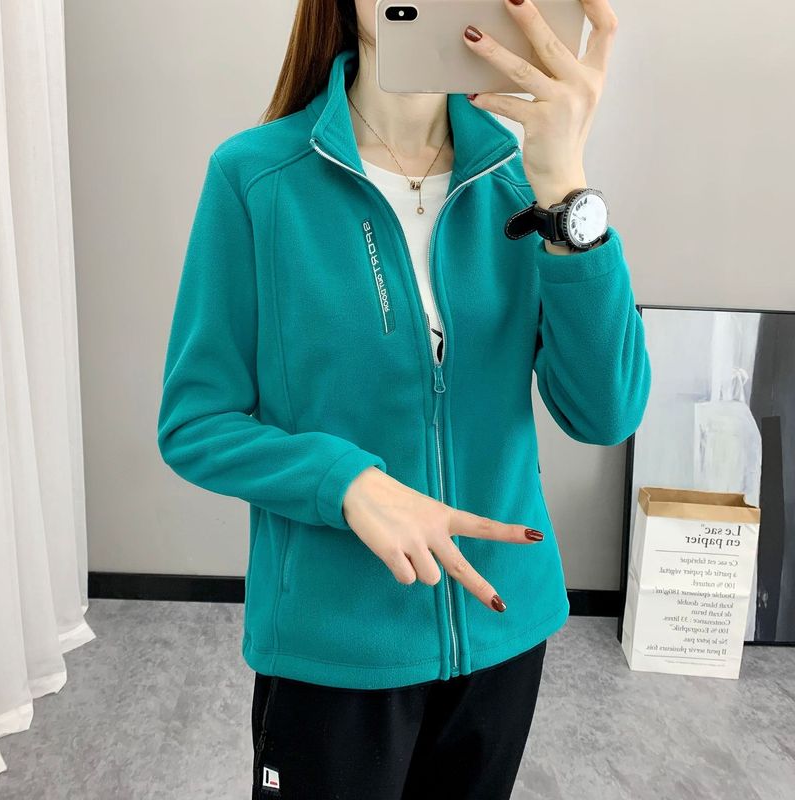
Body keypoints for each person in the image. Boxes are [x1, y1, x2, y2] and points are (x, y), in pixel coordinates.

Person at [156, 1, 648, 798]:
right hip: (334, 649)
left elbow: (606, 412)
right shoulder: (255, 177)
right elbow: (195, 423)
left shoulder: (522, 183)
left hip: (504, 631)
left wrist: (566, 190)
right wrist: (346, 482)